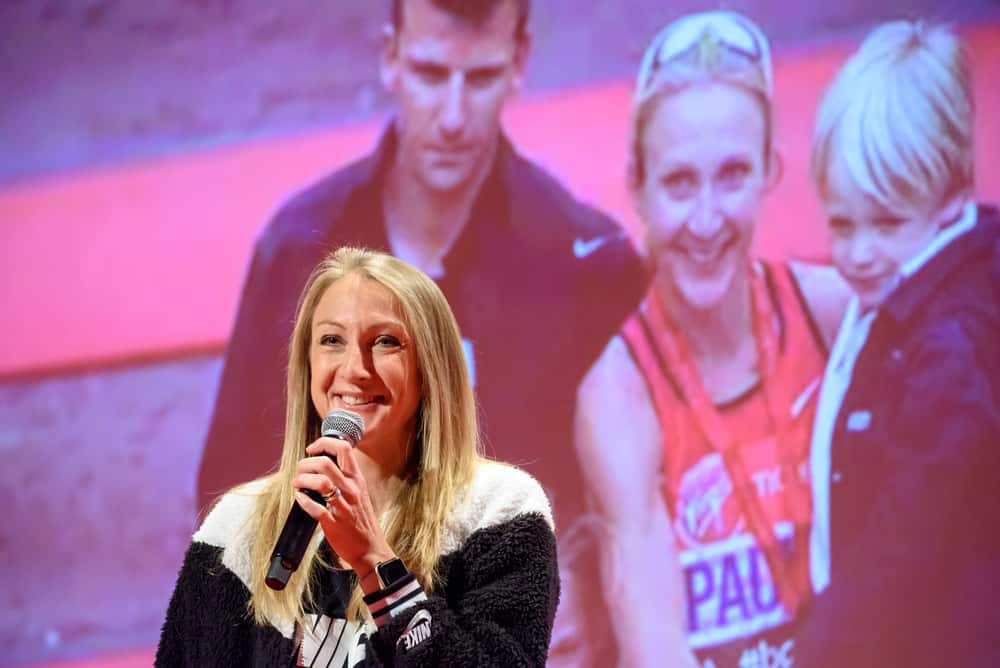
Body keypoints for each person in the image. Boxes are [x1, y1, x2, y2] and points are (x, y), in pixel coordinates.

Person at [196, 3, 644, 659]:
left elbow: (636, 521)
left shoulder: (586, 265)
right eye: (432, 74)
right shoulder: (299, 252)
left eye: (482, 76)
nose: (455, 117)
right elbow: (229, 512)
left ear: (520, 63)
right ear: (390, 58)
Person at [574, 11, 850, 667]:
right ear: (637, 188)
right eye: (678, 182)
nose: (705, 220)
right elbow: (653, 643)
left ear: (769, 173)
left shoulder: (834, 314)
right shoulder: (620, 394)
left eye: (731, 176)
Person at [157, 247, 560, 666]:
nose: (354, 368)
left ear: (431, 366)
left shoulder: (497, 510)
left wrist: (373, 561)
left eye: (385, 342)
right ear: (307, 363)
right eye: (332, 340)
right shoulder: (237, 526)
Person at [796, 20, 1000, 667]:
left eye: (886, 222)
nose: (857, 254)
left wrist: (820, 649)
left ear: (953, 194)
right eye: (840, 222)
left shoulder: (951, 344)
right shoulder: (918, 289)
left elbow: (904, 545)